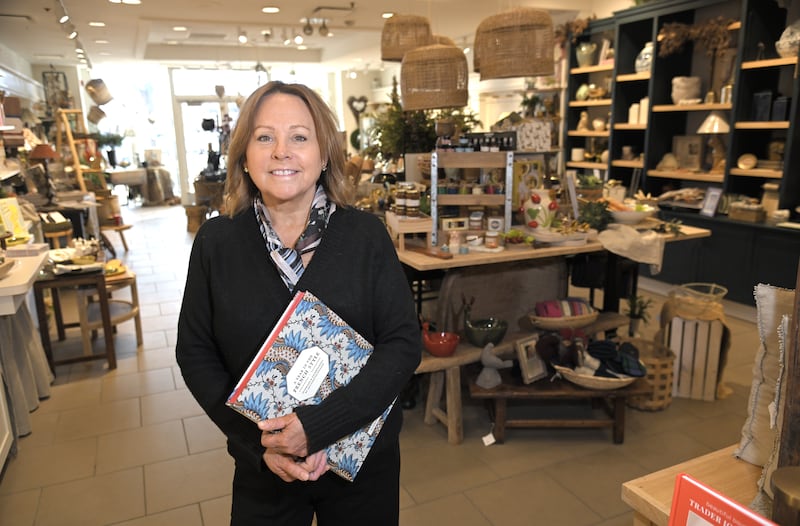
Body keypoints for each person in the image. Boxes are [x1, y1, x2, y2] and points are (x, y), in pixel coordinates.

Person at [176, 81, 421, 525]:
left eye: (300, 137)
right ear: (244, 157)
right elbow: (195, 353)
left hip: (361, 463)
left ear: (324, 154)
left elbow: (402, 343)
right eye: (264, 136)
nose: (281, 151)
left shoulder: (366, 236)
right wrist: (260, 445)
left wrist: (318, 426)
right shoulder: (217, 243)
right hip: (265, 470)